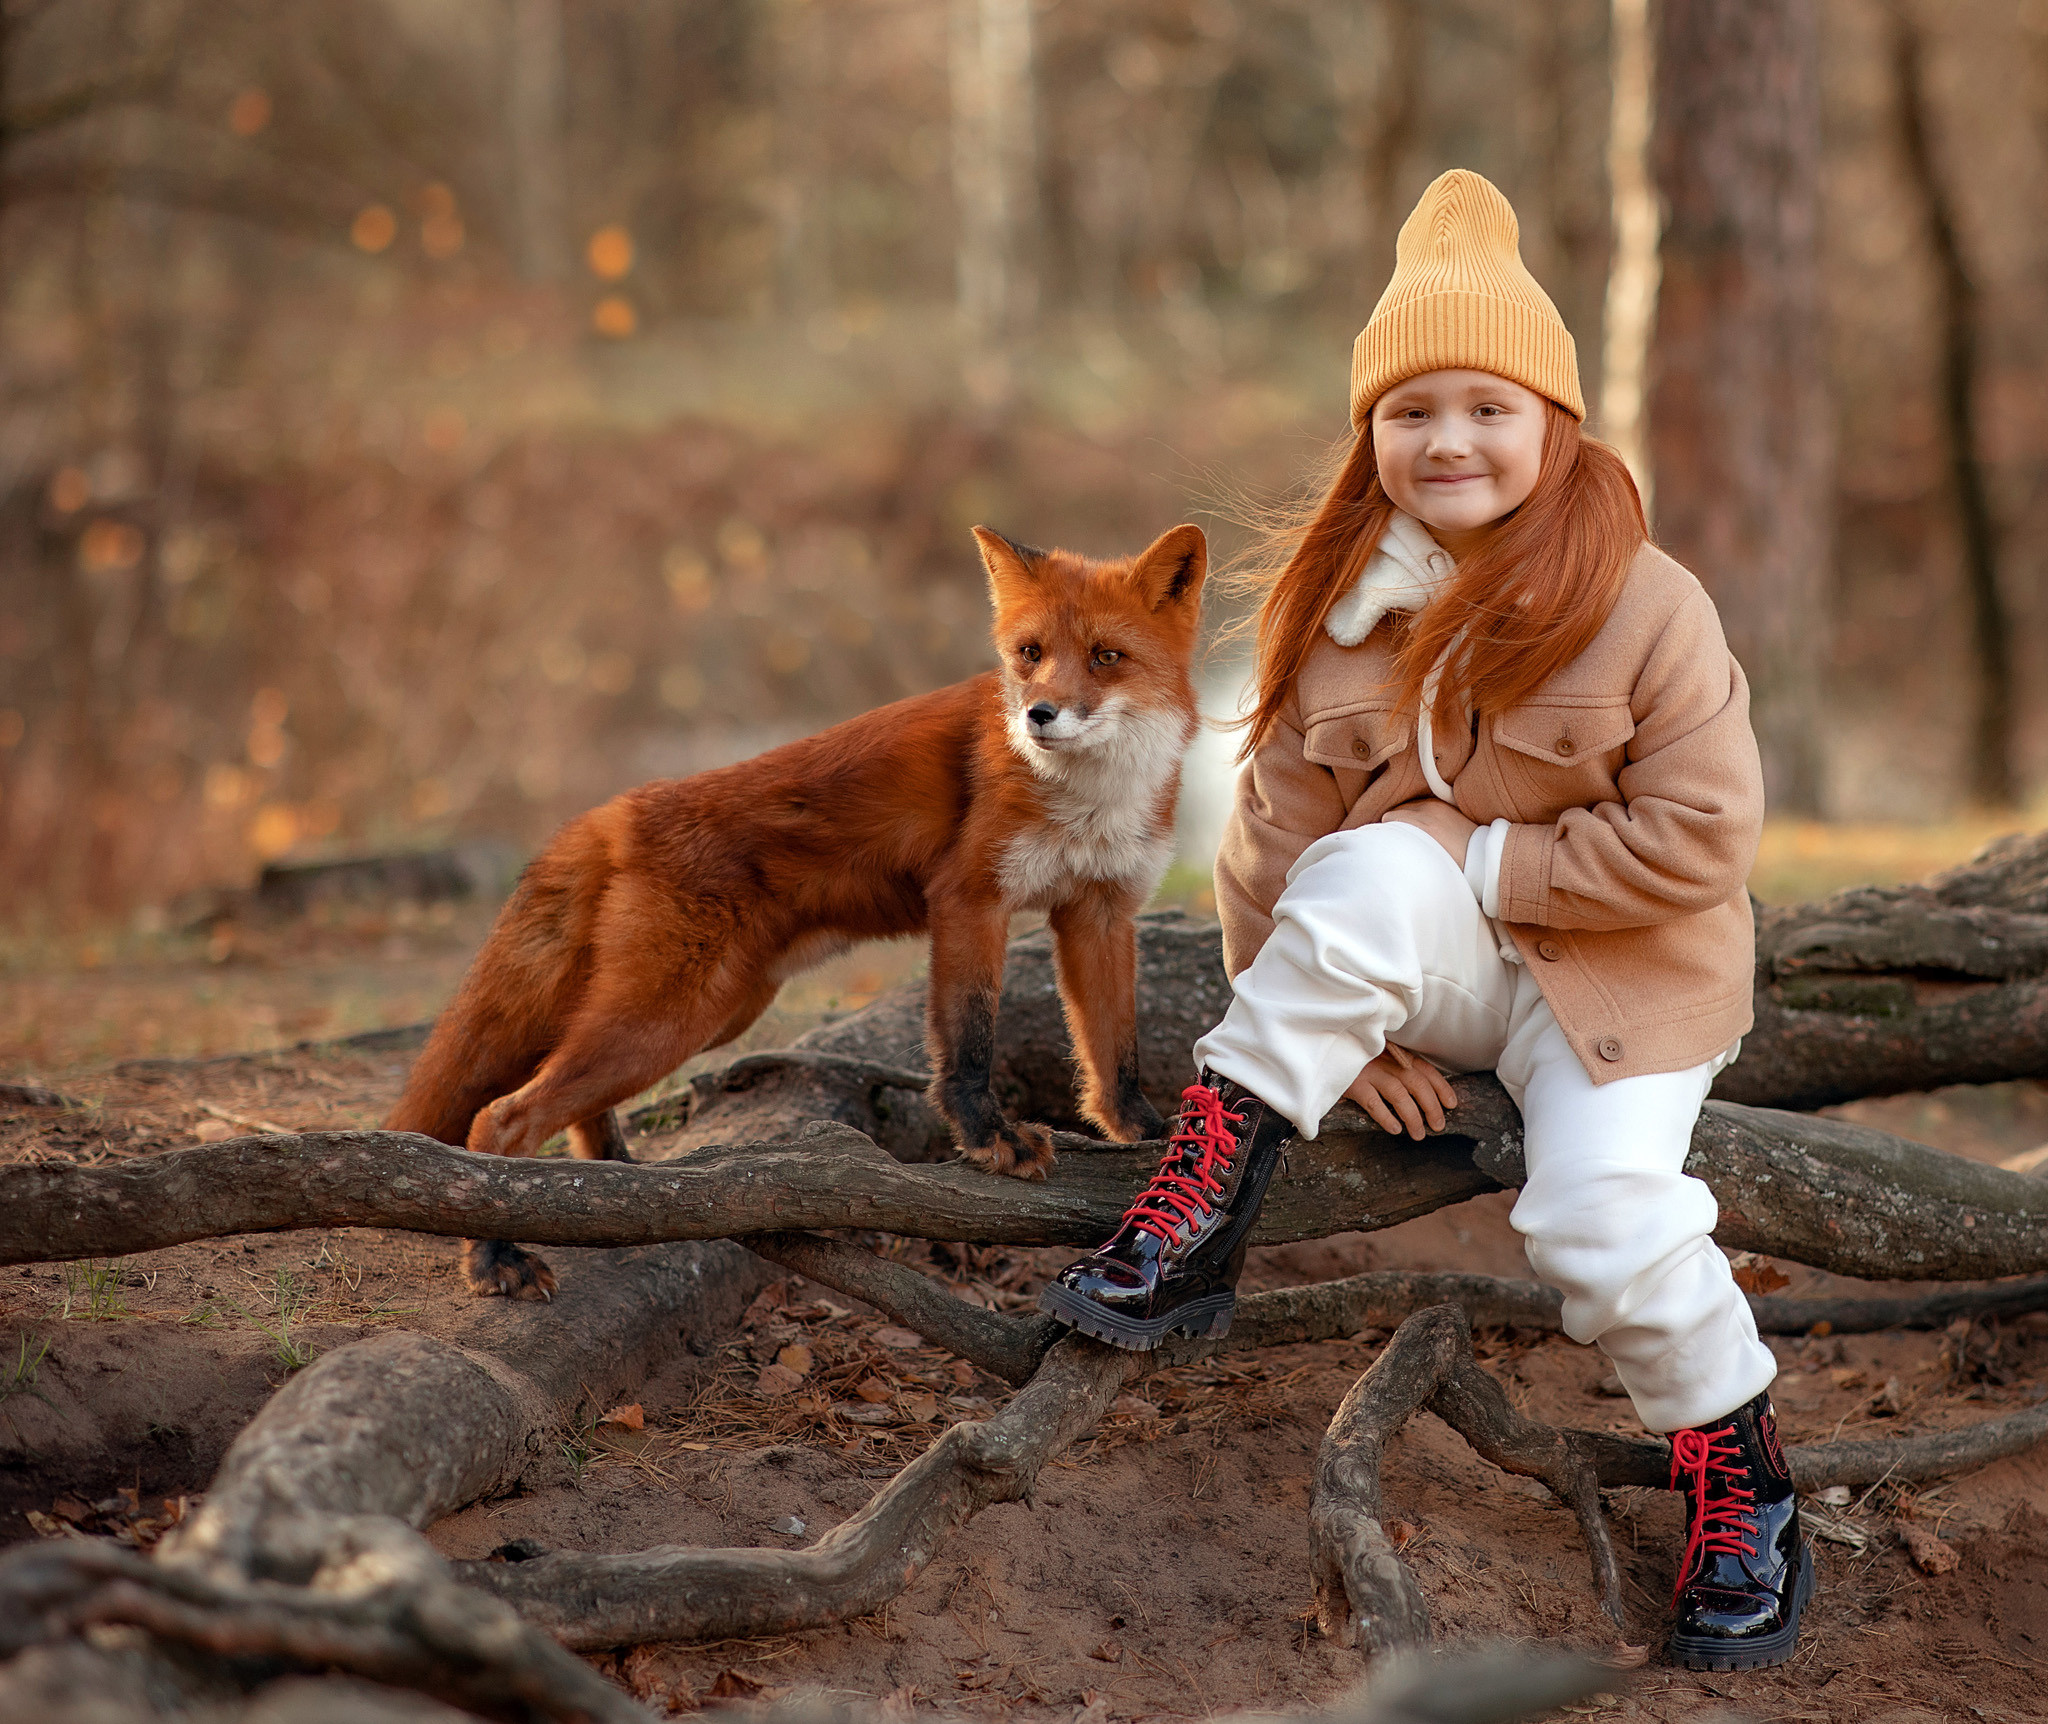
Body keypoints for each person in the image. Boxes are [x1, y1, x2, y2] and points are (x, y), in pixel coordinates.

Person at [1037, 169, 1809, 1673]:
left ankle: (1744, 1476)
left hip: (1629, 984)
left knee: (1598, 1223)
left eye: (1487, 406)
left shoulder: (1647, 605)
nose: (1447, 440)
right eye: (1411, 411)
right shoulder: (1336, 613)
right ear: (1371, 435)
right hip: (1439, 972)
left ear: (1552, 425)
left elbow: (1707, 837)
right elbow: (1271, 843)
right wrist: (1331, 1027)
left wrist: (1481, 866)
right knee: (1371, 871)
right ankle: (1201, 1207)